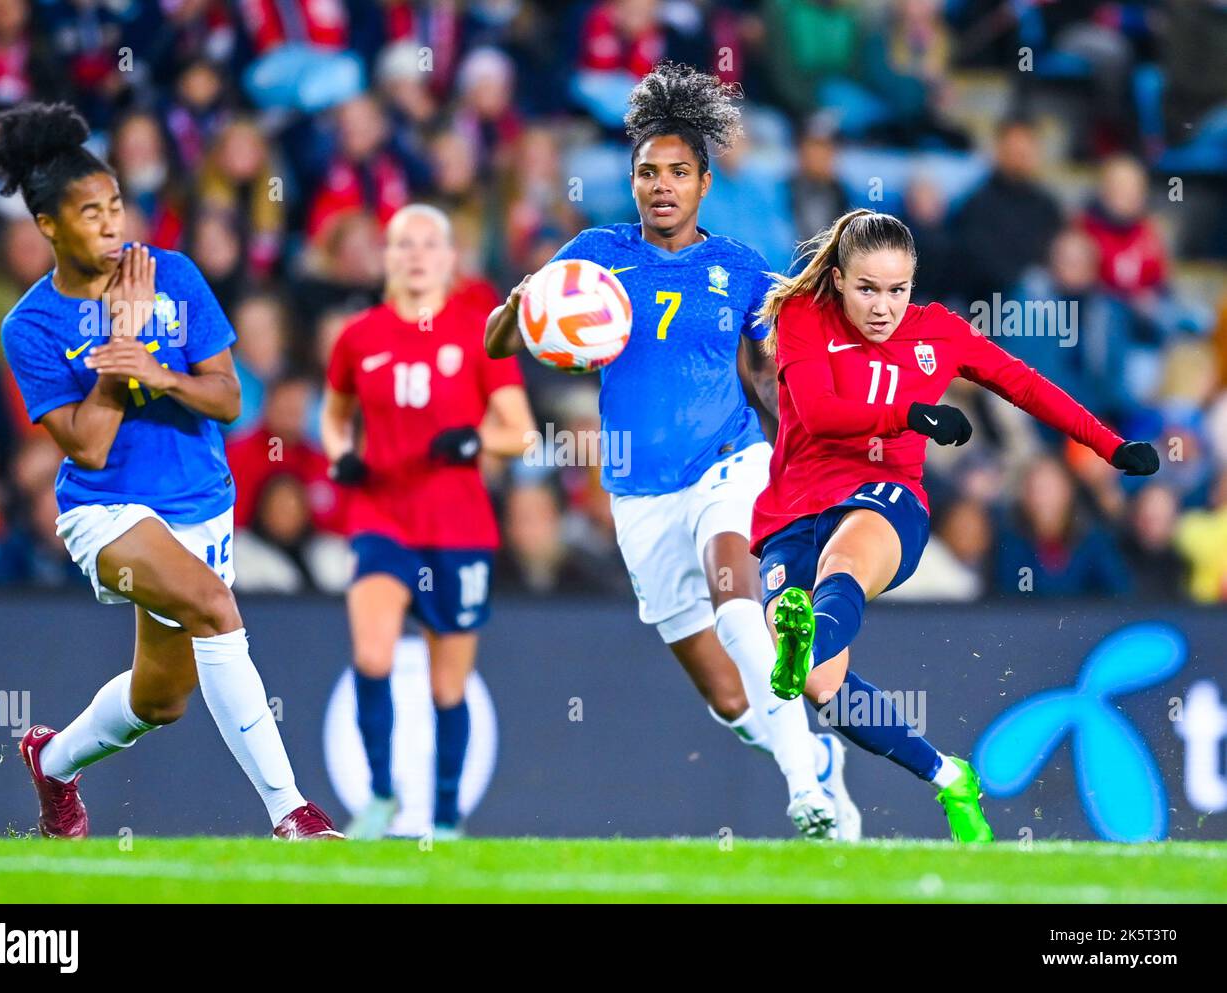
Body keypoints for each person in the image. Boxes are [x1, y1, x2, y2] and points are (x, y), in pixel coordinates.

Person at [484, 63, 856, 840]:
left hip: (729, 464)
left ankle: (808, 794)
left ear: (704, 183)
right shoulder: (593, 255)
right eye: (648, 172)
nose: (662, 186)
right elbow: (499, 342)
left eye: (678, 173)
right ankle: (815, 759)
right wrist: (519, 307)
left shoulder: (743, 269)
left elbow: (768, 374)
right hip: (639, 496)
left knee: (737, 602)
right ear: (632, 180)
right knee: (727, 699)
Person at [0, 102, 342, 840]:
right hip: (105, 510)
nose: (112, 224)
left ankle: (51, 761)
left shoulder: (173, 275)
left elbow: (230, 395)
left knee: (162, 695)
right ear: (48, 226)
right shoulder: (31, 325)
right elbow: (84, 445)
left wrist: (157, 368)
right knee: (214, 604)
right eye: (90, 213)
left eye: (116, 204)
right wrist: (119, 353)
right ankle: (294, 814)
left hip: (200, 502)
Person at [752, 208, 1160, 842]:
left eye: (897, 289)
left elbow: (1026, 387)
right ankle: (948, 777)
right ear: (836, 279)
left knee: (845, 566)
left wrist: (1109, 446)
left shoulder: (938, 333)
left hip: (885, 499)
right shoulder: (804, 317)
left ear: (913, 285)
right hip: (793, 511)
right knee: (820, 684)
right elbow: (821, 412)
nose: (883, 306)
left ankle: (807, 629)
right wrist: (910, 413)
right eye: (867, 289)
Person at [321, 203, 535, 840]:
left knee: (449, 683)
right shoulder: (359, 337)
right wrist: (341, 458)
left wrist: (474, 441)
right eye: (402, 245)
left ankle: (444, 818)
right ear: (387, 258)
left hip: (458, 527)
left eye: (427, 244)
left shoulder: (479, 333)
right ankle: (382, 796)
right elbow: (333, 417)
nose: (415, 255)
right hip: (382, 516)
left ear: (448, 259)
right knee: (372, 653)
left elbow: (520, 432)